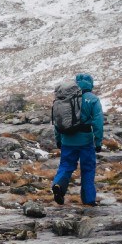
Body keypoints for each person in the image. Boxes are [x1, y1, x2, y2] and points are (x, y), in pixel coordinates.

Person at [51, 73, 105, 206]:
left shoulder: (65, 98)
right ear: (91, 84)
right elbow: (98, 122)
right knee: (88, 169)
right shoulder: (92, 99)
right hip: (85, 142)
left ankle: (58, 185)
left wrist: (59, 139)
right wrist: (98, 142)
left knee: (66, 165)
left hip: (67, 140)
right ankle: (89, 200)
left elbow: (58, 121)